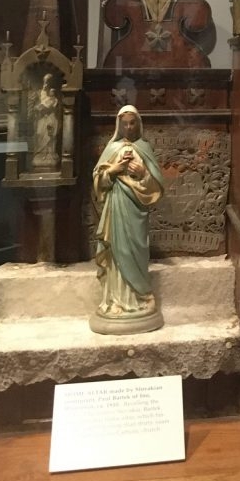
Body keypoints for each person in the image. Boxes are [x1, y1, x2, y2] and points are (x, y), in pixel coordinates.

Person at [90, 105, 164, 333]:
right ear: (119, 125)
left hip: (136, 211)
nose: (129, 127)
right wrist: (114, 169)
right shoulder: (112, 148)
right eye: (125, 124)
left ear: (138, 124)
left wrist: (142, 173)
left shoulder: (144, 148)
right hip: (116, 206)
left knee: (136, 251)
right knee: (117, 251)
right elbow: (98, 181)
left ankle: (140, 298)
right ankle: (115, 301)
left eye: (132, 123)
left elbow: (156, 186)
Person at [31, 73, 60, 170]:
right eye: (44, 82)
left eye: (47, 82)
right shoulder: (39, 93)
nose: (45, 84)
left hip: (50, 119)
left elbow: (48, 106)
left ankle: (49, 155)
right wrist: (36, 108)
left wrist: (40, 108)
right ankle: (39, 155)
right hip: (41, 119)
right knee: (39, 134)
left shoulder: (54, 97)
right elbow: (34, 106)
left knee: (50, 137)